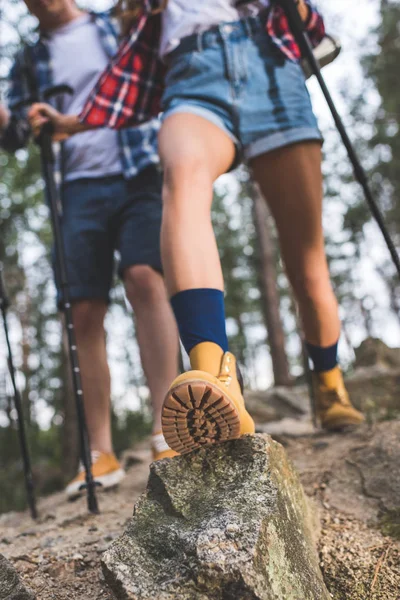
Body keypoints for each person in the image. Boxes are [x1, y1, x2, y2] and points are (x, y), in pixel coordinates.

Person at [29, 0, 365, 456]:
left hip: (271, 72)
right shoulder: (149, 10)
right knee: (181, 178)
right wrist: (69, 122)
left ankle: (329, 384)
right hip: (191, 82)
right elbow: (133, 85)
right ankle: (214, 377)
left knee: (306, 261)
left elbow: (310, 25)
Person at [0, 0, 179, 498]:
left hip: (140, 167)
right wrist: (15, 121)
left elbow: (155, 76)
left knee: (146, 277)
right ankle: (99, 452)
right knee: (82, 309)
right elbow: (15, 134)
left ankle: (169, 426)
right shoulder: (27, 60)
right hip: (75, 187)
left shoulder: (117, 23)